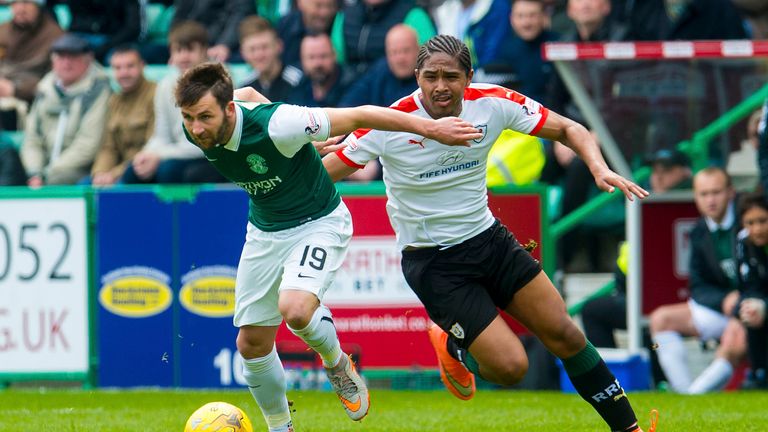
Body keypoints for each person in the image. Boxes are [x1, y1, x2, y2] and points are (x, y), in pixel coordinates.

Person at [322, 35, 655, 432]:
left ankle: (629, 428)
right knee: (512, 368)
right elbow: (325, 175)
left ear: (469, 78)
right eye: (431, 76)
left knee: (565, 333)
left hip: (489, 240)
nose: (440, 86)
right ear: (417, 76)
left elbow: (569, 129)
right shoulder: (390, 122)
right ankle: (452, 345)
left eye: (451, 76)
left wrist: (599, 167)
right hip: (435, 262)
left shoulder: (493, 102)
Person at [175, 61, 482, 432]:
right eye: (189, 117)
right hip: (265, 229)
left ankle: (337, 363)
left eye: (204, 116)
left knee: (296, 309)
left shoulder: (281, 124)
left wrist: (432, 128)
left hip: (318, 221)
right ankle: (280, 427)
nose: (196, 128)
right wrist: (301, 144)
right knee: (251, 343)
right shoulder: (202, 122)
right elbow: (251, 96)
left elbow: (362, 114)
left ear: (226, 109)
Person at [649, 167, 745, 394]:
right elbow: (698, 286)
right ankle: (684, 392)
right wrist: (724, 300)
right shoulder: (699, 231)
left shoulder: (748, 221)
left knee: (735, 335)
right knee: (660, 319)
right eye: (704, 194)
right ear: (696, 197)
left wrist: (742, 301)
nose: (710, 200)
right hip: (722, 307)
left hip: (752, 307)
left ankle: (695, 395)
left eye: (716, 192)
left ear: (730, 192)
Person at [122, 21, 222, 184]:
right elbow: (161, 135)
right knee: (133, 171)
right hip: (177, 154)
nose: (183, 56)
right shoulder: (165, 85)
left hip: (213, 156)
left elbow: (208, 144)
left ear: (204, 50)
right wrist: (146, 154)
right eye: (178, 50)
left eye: (189, 50)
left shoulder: (219, 82)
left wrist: (160, 155)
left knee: (168, 171)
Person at [20, 33, 111, 185]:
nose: (66, 63)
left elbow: (88, 145)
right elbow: (32, 139)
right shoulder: (45, 88)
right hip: (43, 170)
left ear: (88, 59)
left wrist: (47, 174)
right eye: (61, 57)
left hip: (82, 168)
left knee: (59, 178)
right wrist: (35, 172)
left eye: (73, 57)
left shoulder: (98, 89)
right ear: (53, 62)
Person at [88, 45, 156, 186]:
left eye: (130, 66)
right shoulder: (114, 100)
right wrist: (100, 172)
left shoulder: (155, 95)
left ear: (142, 66)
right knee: (84, 186)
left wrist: (113, 174)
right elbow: (108, 147)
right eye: (118, 68)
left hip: (142, 169)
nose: (124, 73)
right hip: (117, 170)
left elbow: (152, 145)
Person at [0, 0, 63, 130]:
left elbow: (56, 82)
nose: (20, 8)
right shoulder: (3, 30)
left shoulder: (56, 38)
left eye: (26, 2)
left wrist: (16, 89)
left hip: (30, 103)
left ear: (39, 6)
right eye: (15, 2)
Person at [734, 191, 768, 389]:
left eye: (763, 221)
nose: (757, 229)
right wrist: (755, 305)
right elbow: (747, 284)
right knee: (750, 309)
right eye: (750, 223)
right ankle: (759, 373)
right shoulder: (743, 241)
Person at [238, 16, 302, 104]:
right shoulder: (244, 88)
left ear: (279, 46)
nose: (259, 55)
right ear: (243, 53)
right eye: (252, 49)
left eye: (264, 47)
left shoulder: (297, 81)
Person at [287, 33, 349, 108]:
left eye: (323, 56)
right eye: (311, 57)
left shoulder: (351, 85)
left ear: (334, 56)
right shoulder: (296, 87)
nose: (317, 63)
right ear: (302, 60)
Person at [277, 0, 338, 68]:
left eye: (330, 6)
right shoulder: (286, 26)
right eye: (318, 5)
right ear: (300, 3)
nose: (324, 13)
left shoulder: (341, 25)